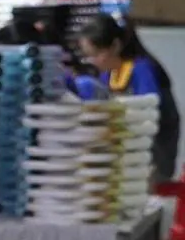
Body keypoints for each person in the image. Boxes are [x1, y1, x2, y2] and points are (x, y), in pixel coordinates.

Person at [70, 10, 178, 182]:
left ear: (115, 46)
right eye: (88, 56)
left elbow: (149, 115)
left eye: (96, 54)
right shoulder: (107, 74)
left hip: (151, 154)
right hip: (123, 150)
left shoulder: (142, 70)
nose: (93, 61)